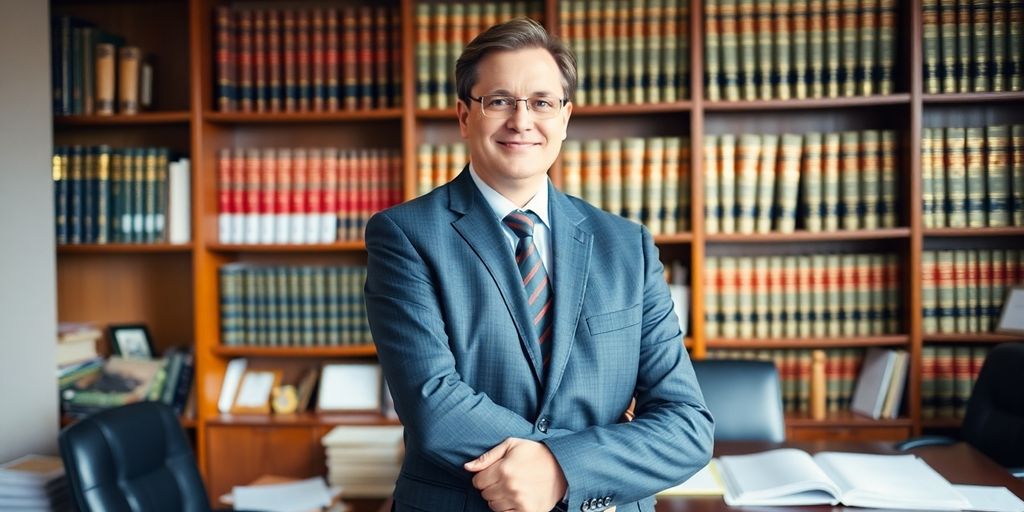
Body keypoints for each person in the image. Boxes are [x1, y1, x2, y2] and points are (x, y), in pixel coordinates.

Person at [364, 17, 713, 512]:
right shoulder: (405, 235)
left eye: (542, 102)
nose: (521, 121)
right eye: (499, 100)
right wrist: (586, 456)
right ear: (465, 116)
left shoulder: (626, 245)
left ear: (565, 118)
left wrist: (563, 470)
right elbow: (434, 407)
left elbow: (687, 426)